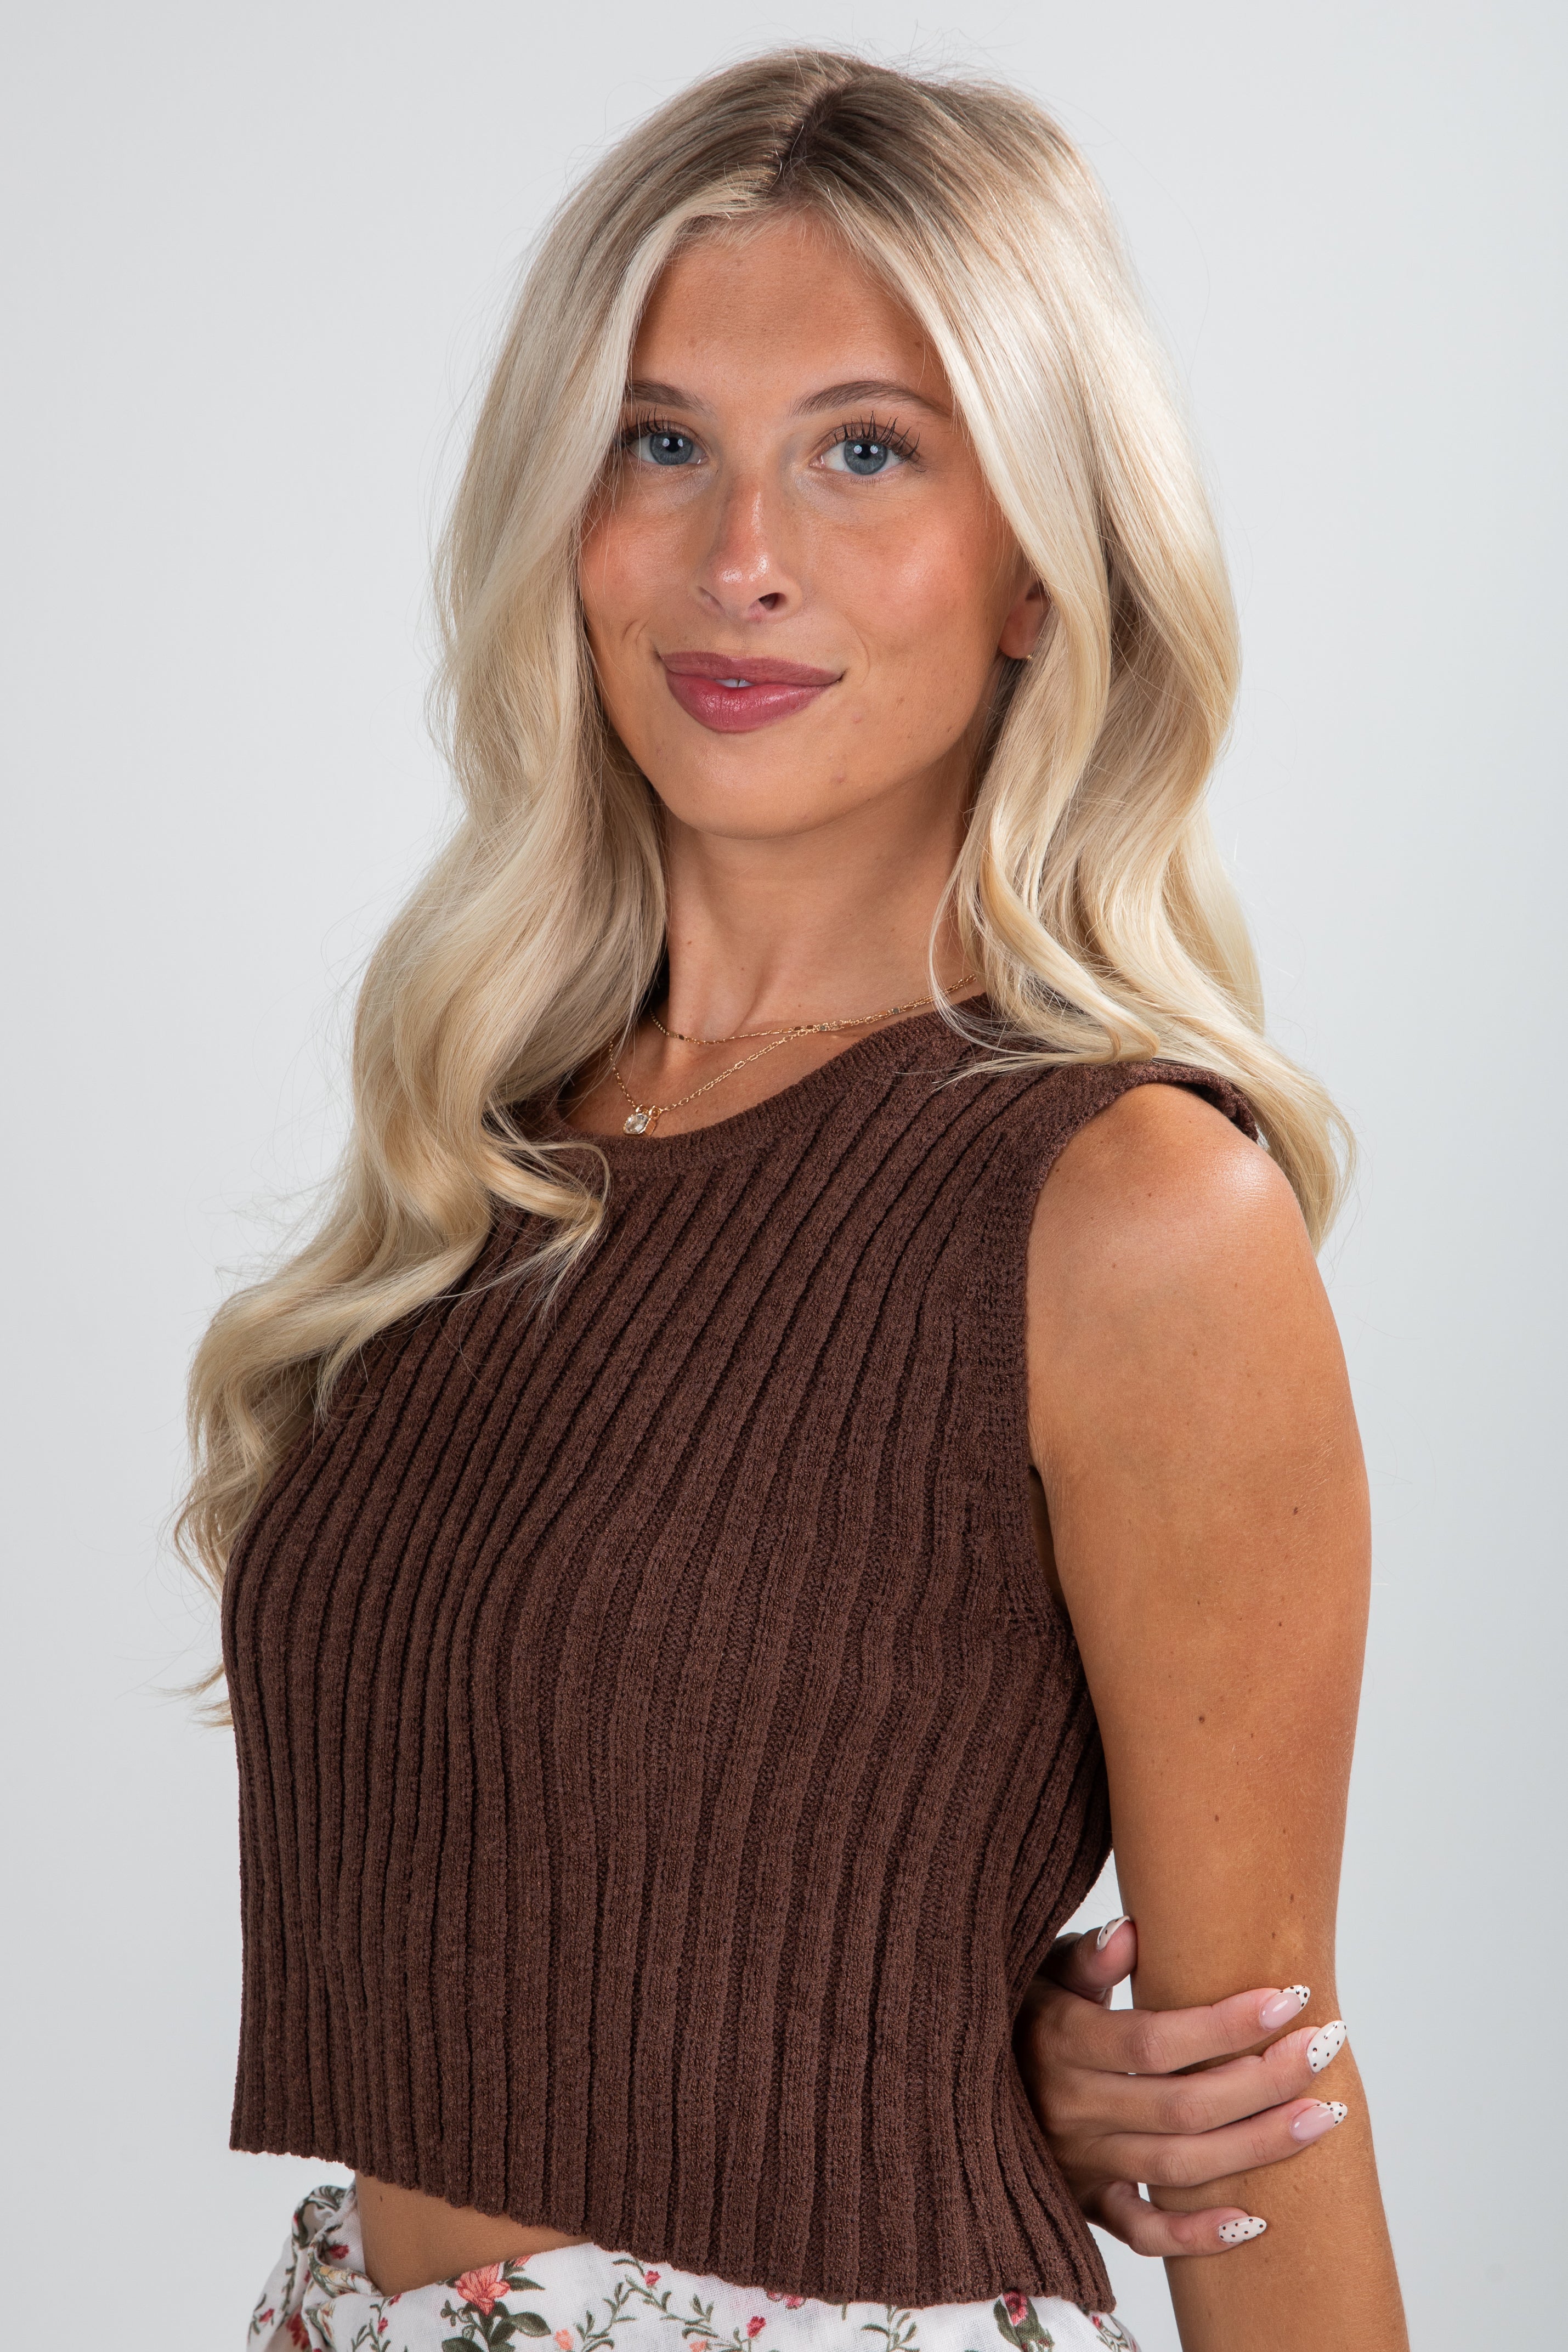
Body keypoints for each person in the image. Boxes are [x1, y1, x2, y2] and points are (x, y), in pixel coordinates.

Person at [184, 49, 1407, 2352]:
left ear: (1038, 561)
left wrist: (1065, 2084)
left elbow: (1255, 2115)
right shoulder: (498, 1146)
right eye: (663, 442)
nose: (741, 556)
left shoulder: (1127, 1205)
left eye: (867, 449)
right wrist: (987, 2048)